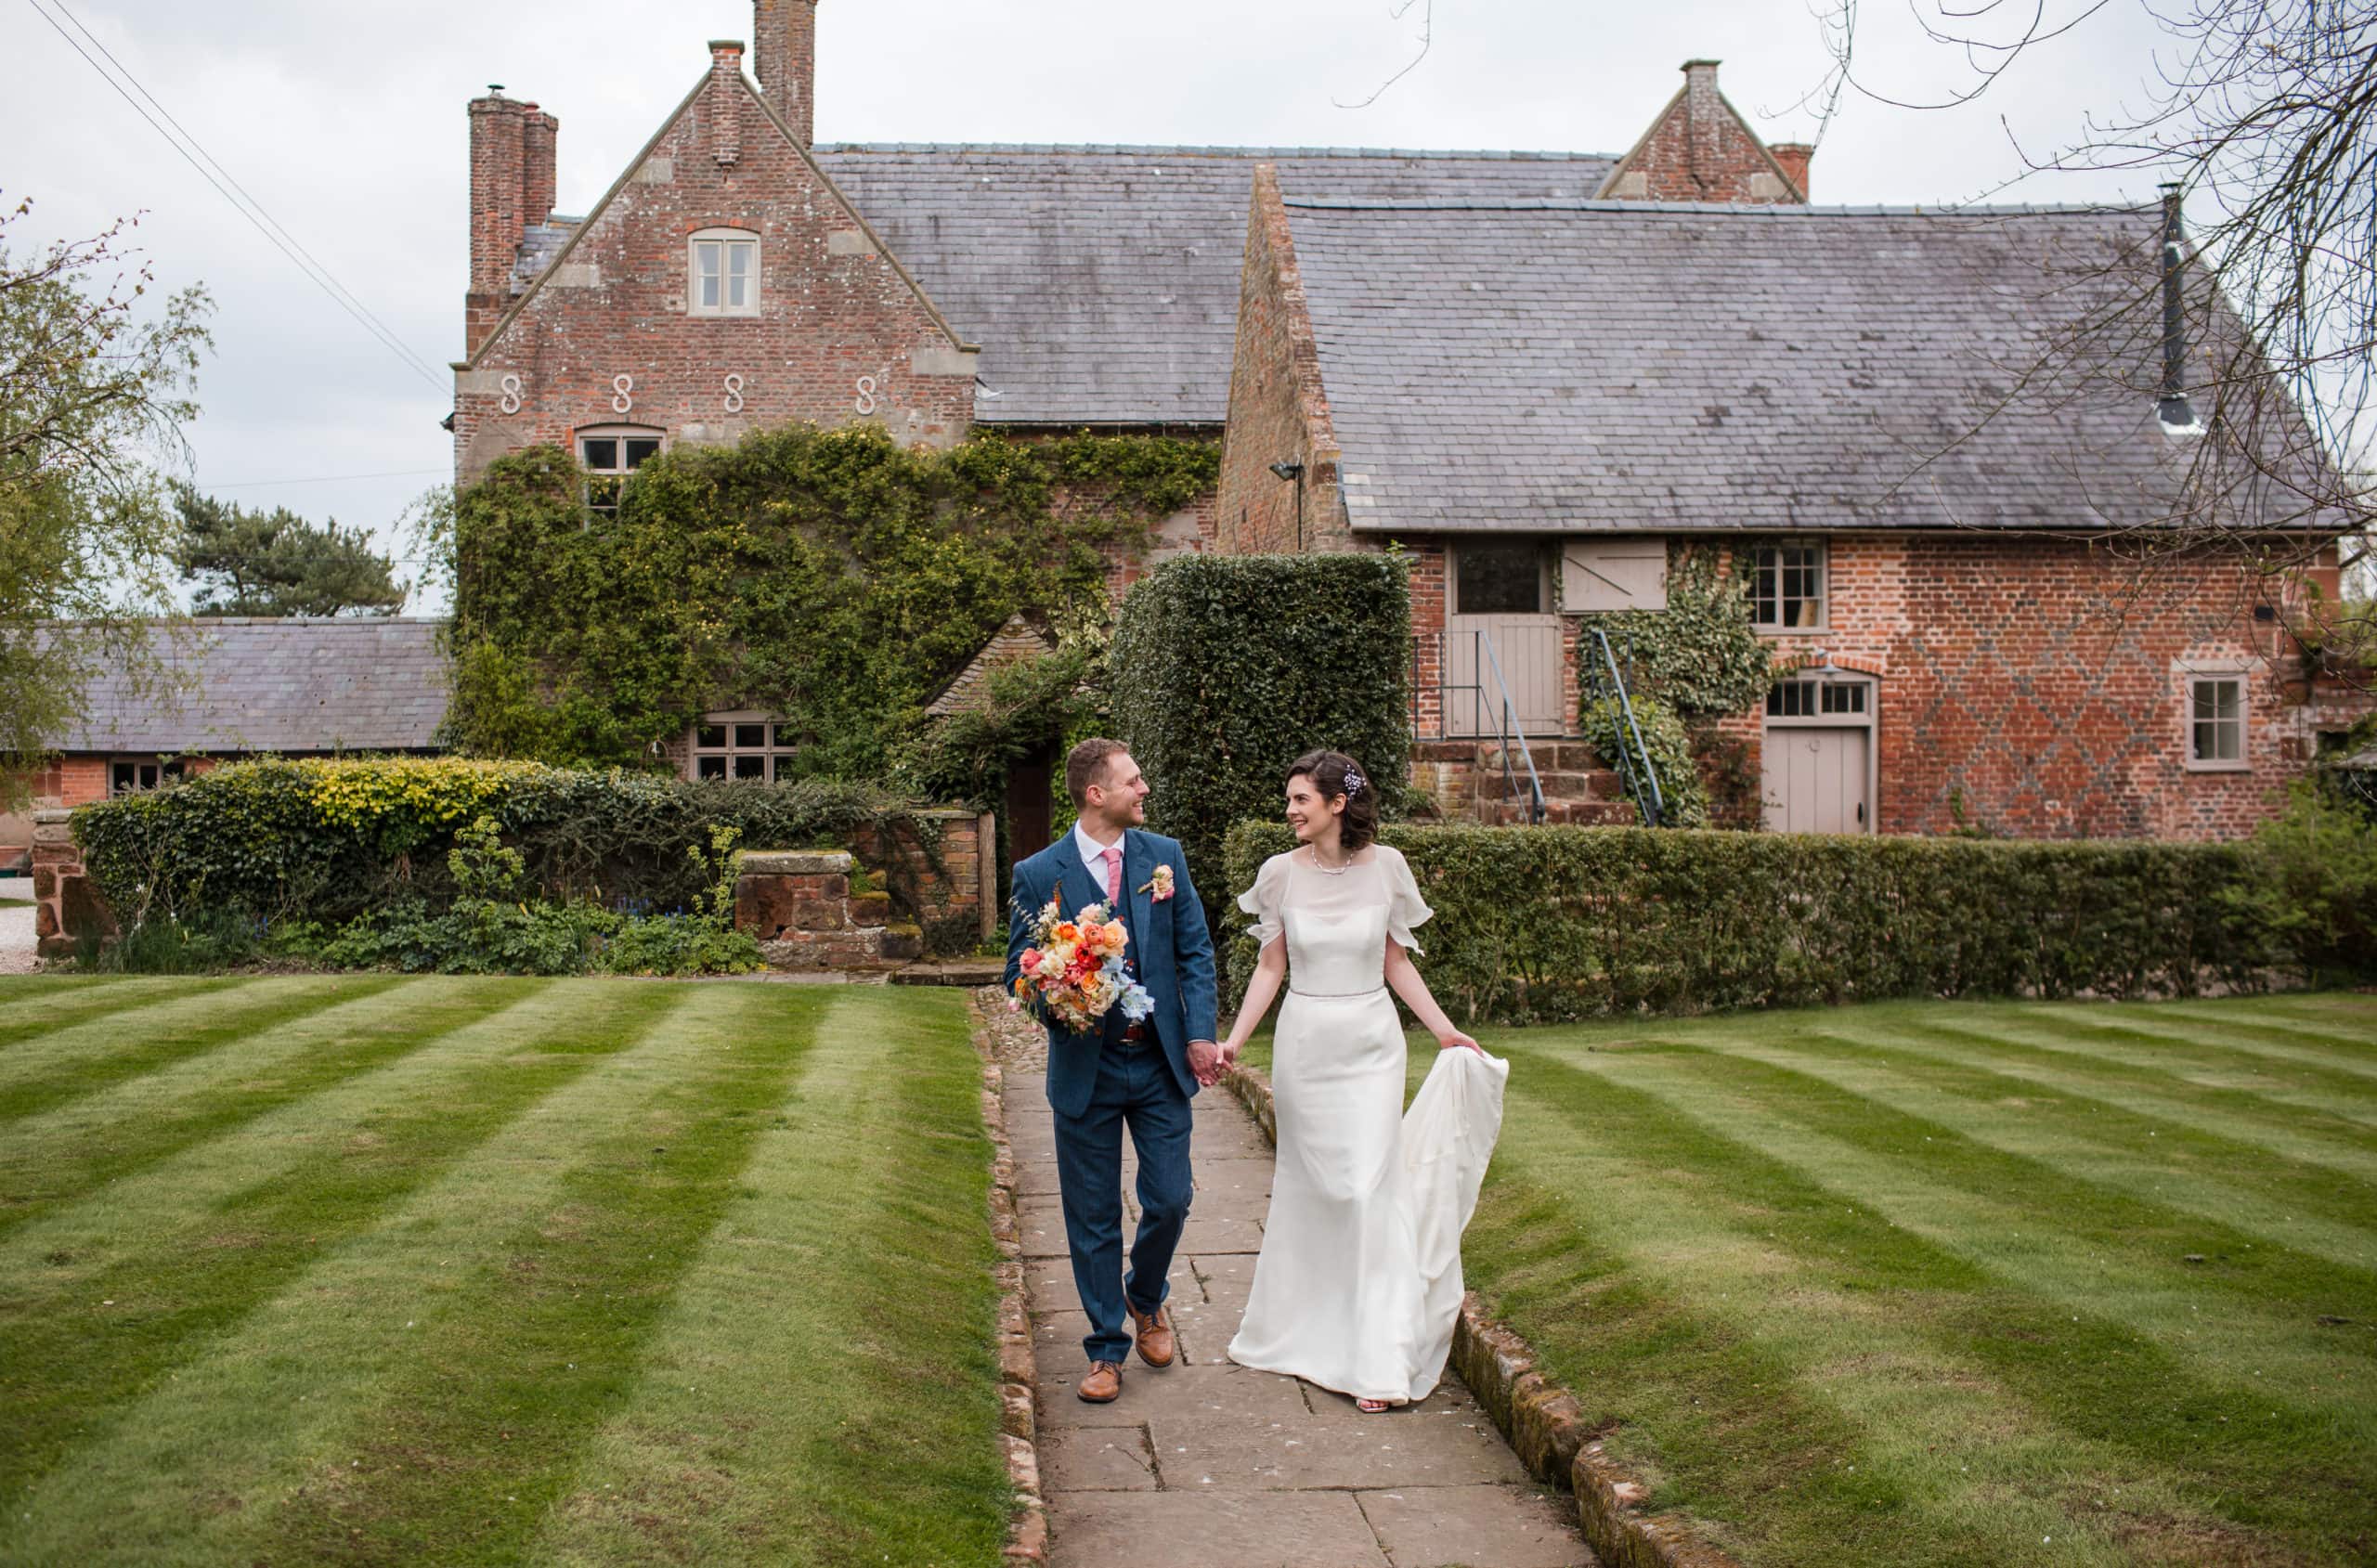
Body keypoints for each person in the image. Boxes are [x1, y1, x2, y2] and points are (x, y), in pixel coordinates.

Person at [1221, 749, 1506, 1413]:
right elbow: (1271, 968)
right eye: (1288, 799)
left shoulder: (1389, 867)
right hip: (1306, 1043)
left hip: (1373, 1044)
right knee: (1316, 1186)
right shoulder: (1278, 874)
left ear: (1337, 804)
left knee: (1365, 1189)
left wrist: (1442, 1029)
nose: (1289, 810)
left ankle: (1375, 1356)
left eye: (1300, 799)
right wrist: (1236, 1038)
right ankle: (1308, 1331)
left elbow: (1394, 960)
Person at [1004, 738, 1222, 1405]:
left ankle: (1145, 1294)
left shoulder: (1166, 858)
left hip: (1157, 1060)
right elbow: (1019, 970)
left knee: (1170, 1196)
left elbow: (1195, 952)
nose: (1144, 788)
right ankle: (1105, 1347)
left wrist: (1201, 1034)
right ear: (1096, 793)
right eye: (1133, 780)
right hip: (1086, 1067)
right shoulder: (1040, 873)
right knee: (1093, 1215)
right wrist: (1059, 998)